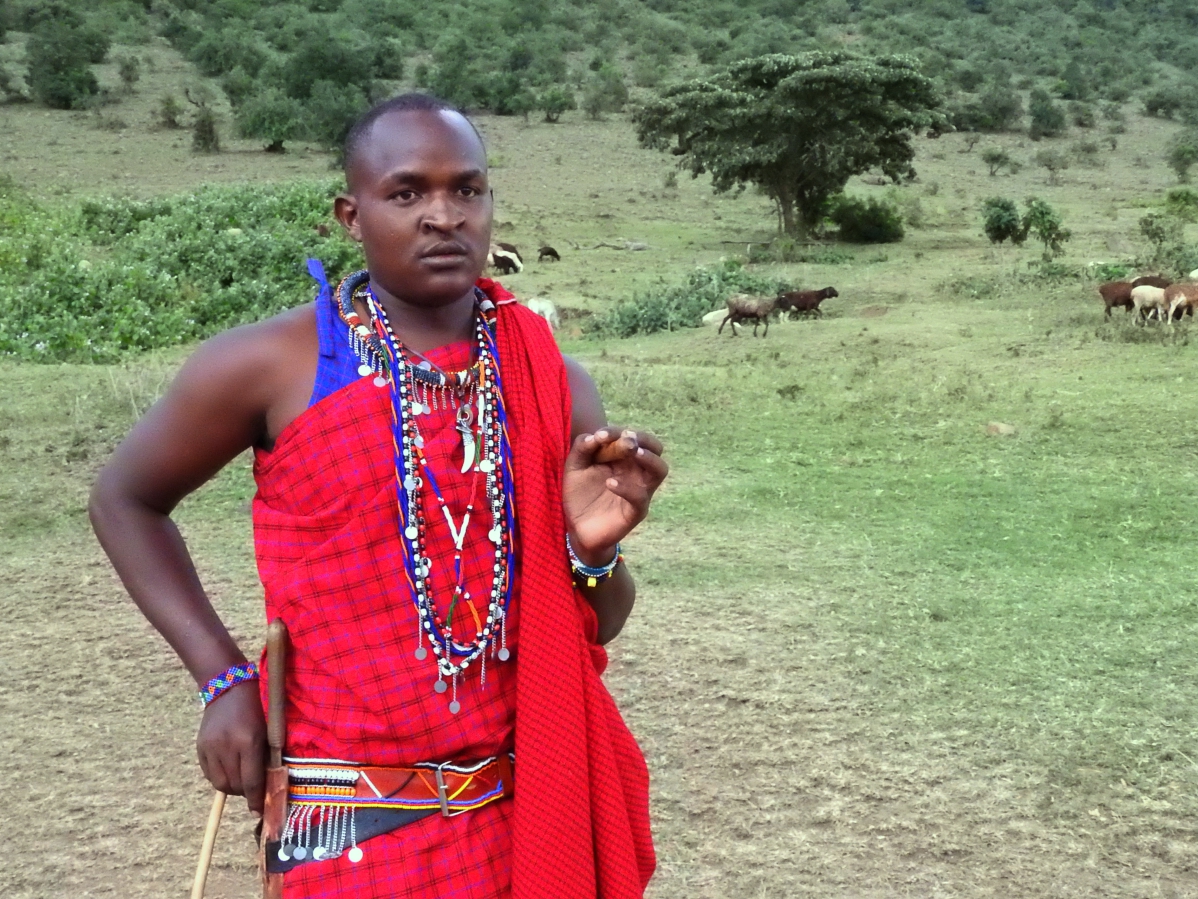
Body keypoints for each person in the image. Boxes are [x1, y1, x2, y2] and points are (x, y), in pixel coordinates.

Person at [90, 93, 667, 899]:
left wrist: (592, 551)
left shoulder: (552, 380)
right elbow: (125, 499)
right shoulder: (271, 365)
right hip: (351, 825)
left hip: (522, 815)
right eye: (407, 193)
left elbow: (596, 624)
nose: (444, 216)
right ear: (350, 214)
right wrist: (222, 679)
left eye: (467, 189)